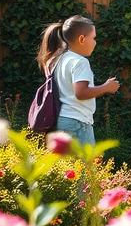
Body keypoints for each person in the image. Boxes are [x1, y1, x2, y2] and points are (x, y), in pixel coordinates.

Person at [36, 15, 120, 146]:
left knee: (66, 166)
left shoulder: (58, 59)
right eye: (93, 38)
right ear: (82, 39)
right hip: (77, 123)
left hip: (61, 120)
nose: (95, 42)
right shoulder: (80, 62)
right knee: (85, 165)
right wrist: (106, 87)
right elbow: (81, 93)